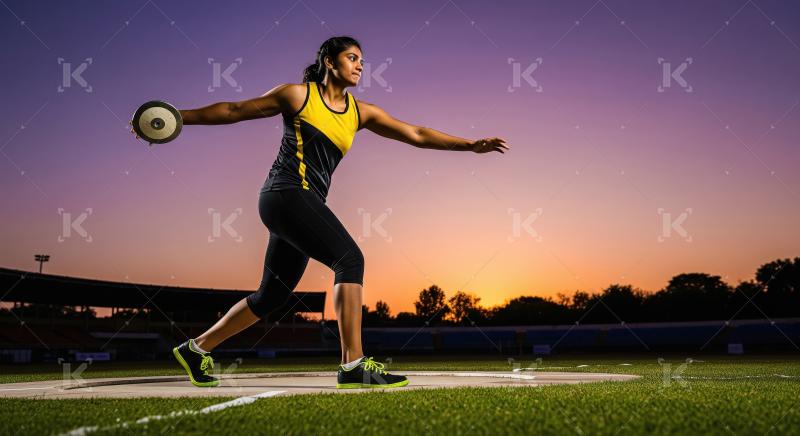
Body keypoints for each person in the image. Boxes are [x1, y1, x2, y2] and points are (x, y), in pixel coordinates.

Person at [131, 36, 509, 389]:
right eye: (352, 58)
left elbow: (417, 134)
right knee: (349, 259)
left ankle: (195, 350)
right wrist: (176, 116)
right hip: (286, 194)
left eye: (362, 60)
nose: (360, 66)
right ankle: (353, 364)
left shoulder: (362, 113)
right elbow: (233, 110)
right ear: (330, 62)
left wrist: (470, 145)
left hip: (300, 204)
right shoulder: (297, 95)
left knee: (271, 297)